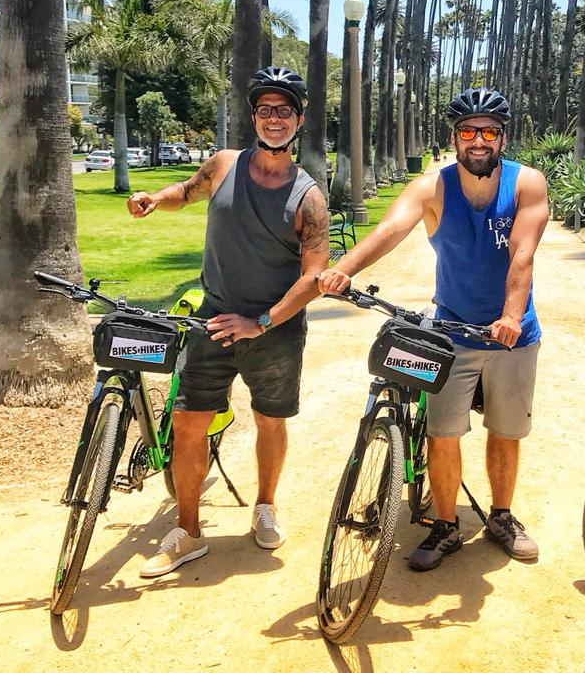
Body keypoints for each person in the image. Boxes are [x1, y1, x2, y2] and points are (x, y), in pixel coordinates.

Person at [319, 88, 549, 571]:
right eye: (469, 132)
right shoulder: (433, 188)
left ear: (503, 138)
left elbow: (521, 256)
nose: (478, 141)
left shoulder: (527, 184)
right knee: (443, 433)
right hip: (451, 331)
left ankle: (502, 517)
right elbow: (388, 230)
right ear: (455, 138)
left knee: (506, 432)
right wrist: (345, 269)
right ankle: (446, 525)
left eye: (489, 131)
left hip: (512, 334)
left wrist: (510, 314)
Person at [127, 66, 329, 577]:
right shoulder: (223, 165)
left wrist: (261, 322)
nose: (274, 118)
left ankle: (265, 506)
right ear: (254, 117)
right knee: (188, 423)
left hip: (274, 331)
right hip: (213, 320)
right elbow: (187, 191)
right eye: (265, 110)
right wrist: (156, 200)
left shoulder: (309, 198)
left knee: (270, 420)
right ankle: (189, 532)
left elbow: (312, 277)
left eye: (284, 110)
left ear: (299, 119)